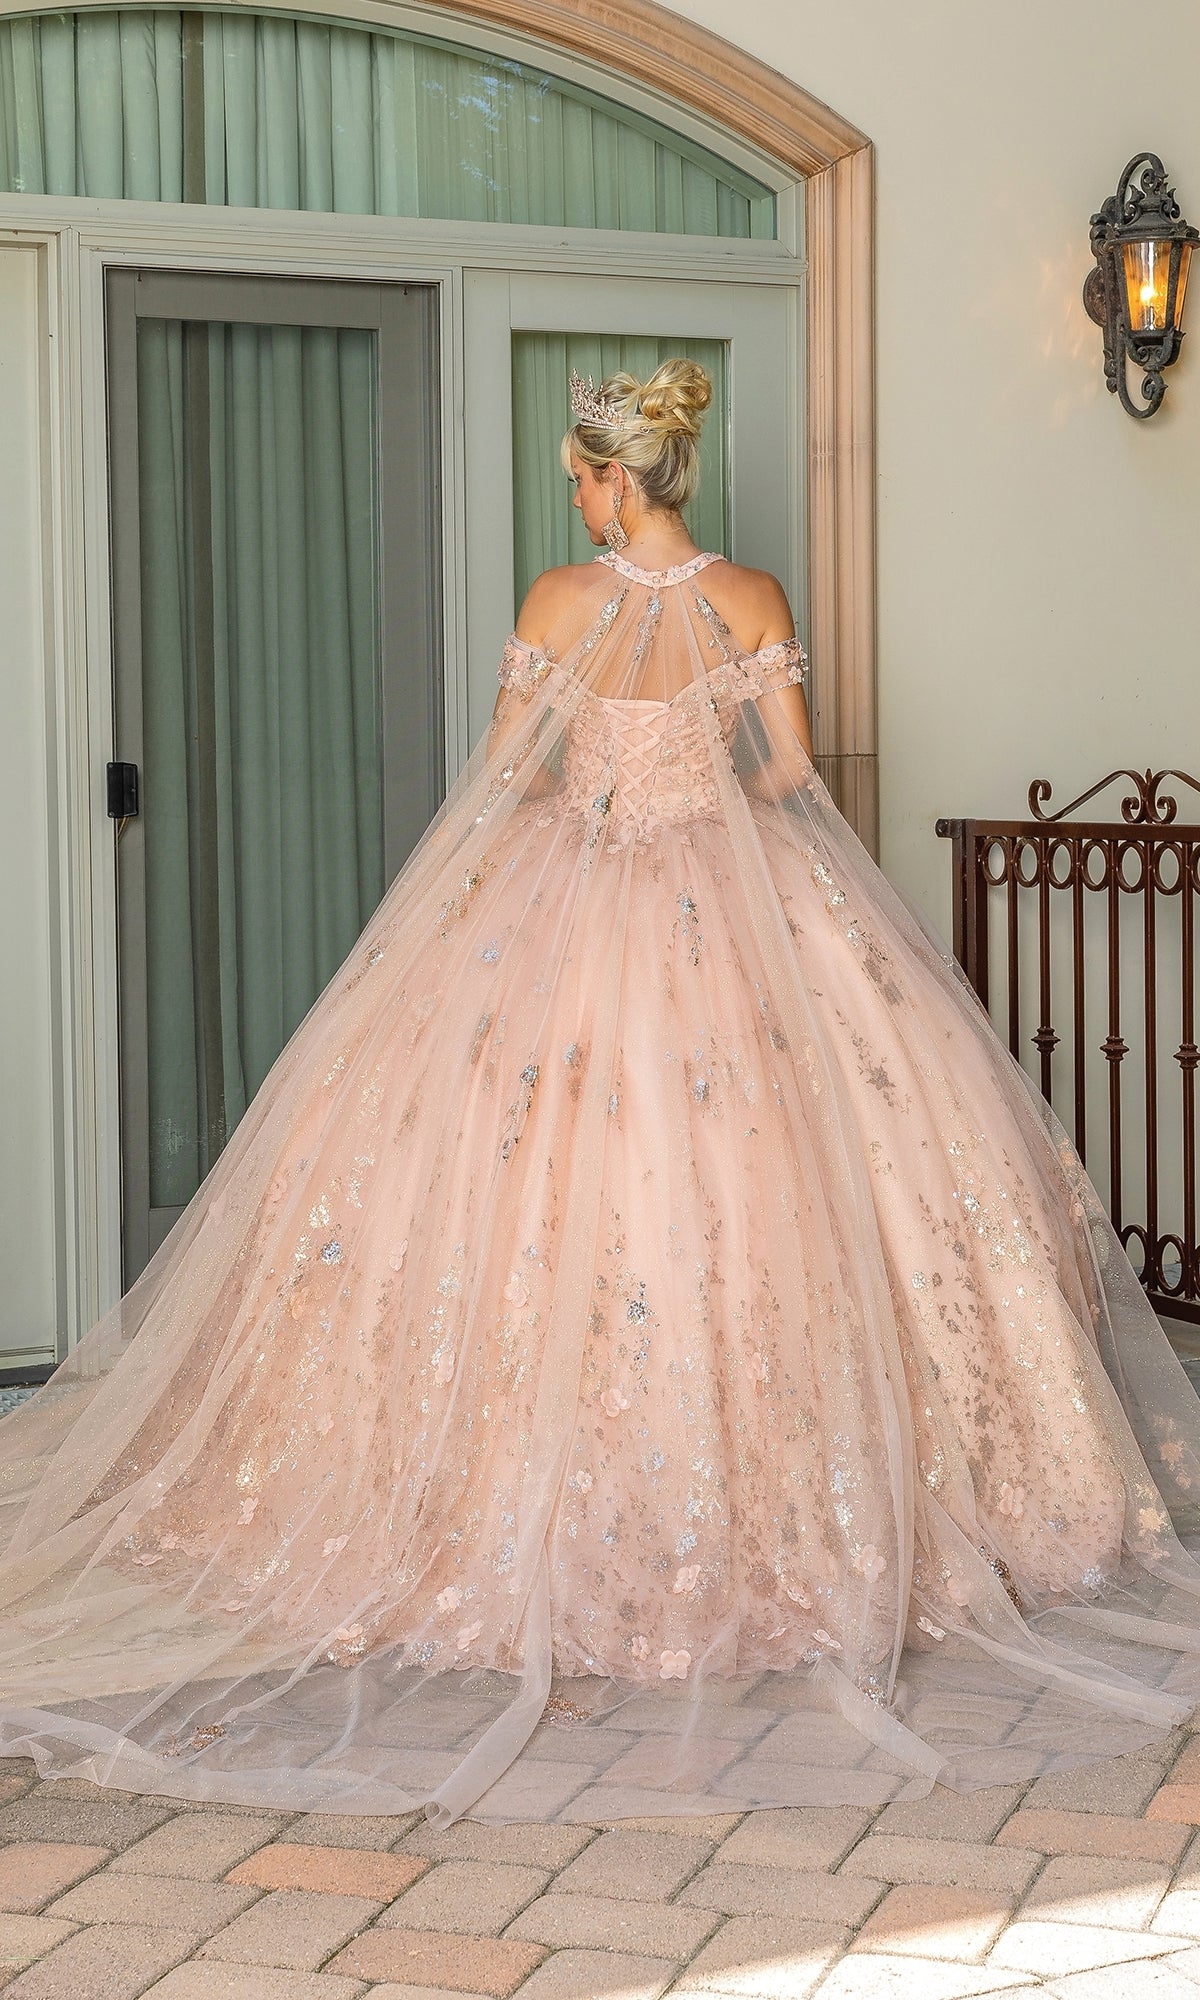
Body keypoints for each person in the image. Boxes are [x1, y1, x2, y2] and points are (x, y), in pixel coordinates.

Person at [1, 358, 1200, 1829]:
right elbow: (787, 781)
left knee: (512, 1174)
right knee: (800, 1176)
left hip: (570, 895)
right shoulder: (751, 597)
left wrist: (578, 804)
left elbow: (506, 776)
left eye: (580, 476)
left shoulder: (558, 603)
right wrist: (695, 771)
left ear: (615, 479)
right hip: (740, 904)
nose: (574, 495)